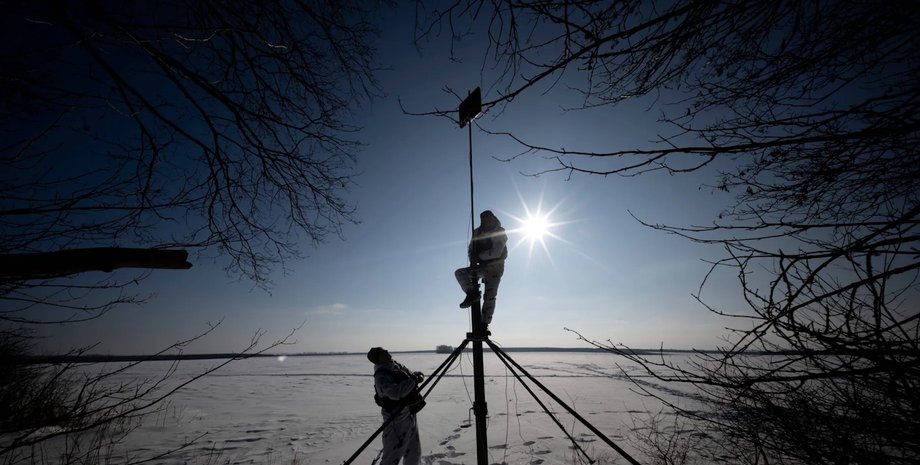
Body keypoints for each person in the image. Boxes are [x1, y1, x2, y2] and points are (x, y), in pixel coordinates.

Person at [367, 347, 425, 465]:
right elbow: (396, 393)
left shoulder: (395, 366)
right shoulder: (381, 376)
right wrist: (413, 380)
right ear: (378, 359)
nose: (387, 351)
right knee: (392, 455)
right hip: (395, 419)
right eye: (383, 352)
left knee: (414, 452)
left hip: (409, 413)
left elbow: (411, 374)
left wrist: (418, 376)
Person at [454, 210, 507, 331]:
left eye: (489, 218)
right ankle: (472, 293)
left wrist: (478, 257)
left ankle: (484, 324)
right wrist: (472, 258)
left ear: (493, 218)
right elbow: (471, 248)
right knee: (460, 273)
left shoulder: (499, 231)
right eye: (483, 218)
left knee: (490, 295)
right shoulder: (477, 232)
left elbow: (497, 251)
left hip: (495, 269)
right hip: (481, 267)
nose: (486, 220)